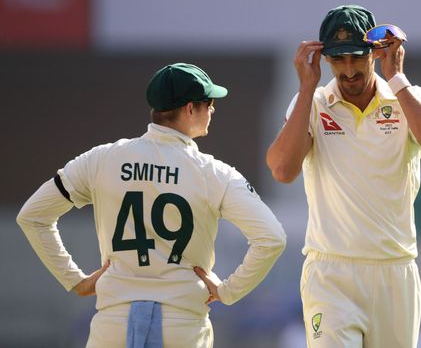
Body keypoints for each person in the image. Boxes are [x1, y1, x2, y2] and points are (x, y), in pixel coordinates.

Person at [17, 62, 286, 348]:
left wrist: (74, 280)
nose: (213, 110)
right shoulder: (216, 173)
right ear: (189, 109)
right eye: (208, 102)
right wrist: (228, 291)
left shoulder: (101, 159)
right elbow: (272, 238)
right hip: (182, 325)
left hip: (112, 324)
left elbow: (33, 216)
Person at [266, 4, 421, 348]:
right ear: (325, 59)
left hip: (395, 270)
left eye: (357, 56)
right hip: (331, 272)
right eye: (339, 59)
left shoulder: (408, 98)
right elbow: (282, 170)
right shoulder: (311, 102)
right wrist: (308, 89)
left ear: (374, 52)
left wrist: (397, 79)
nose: (350, 69)